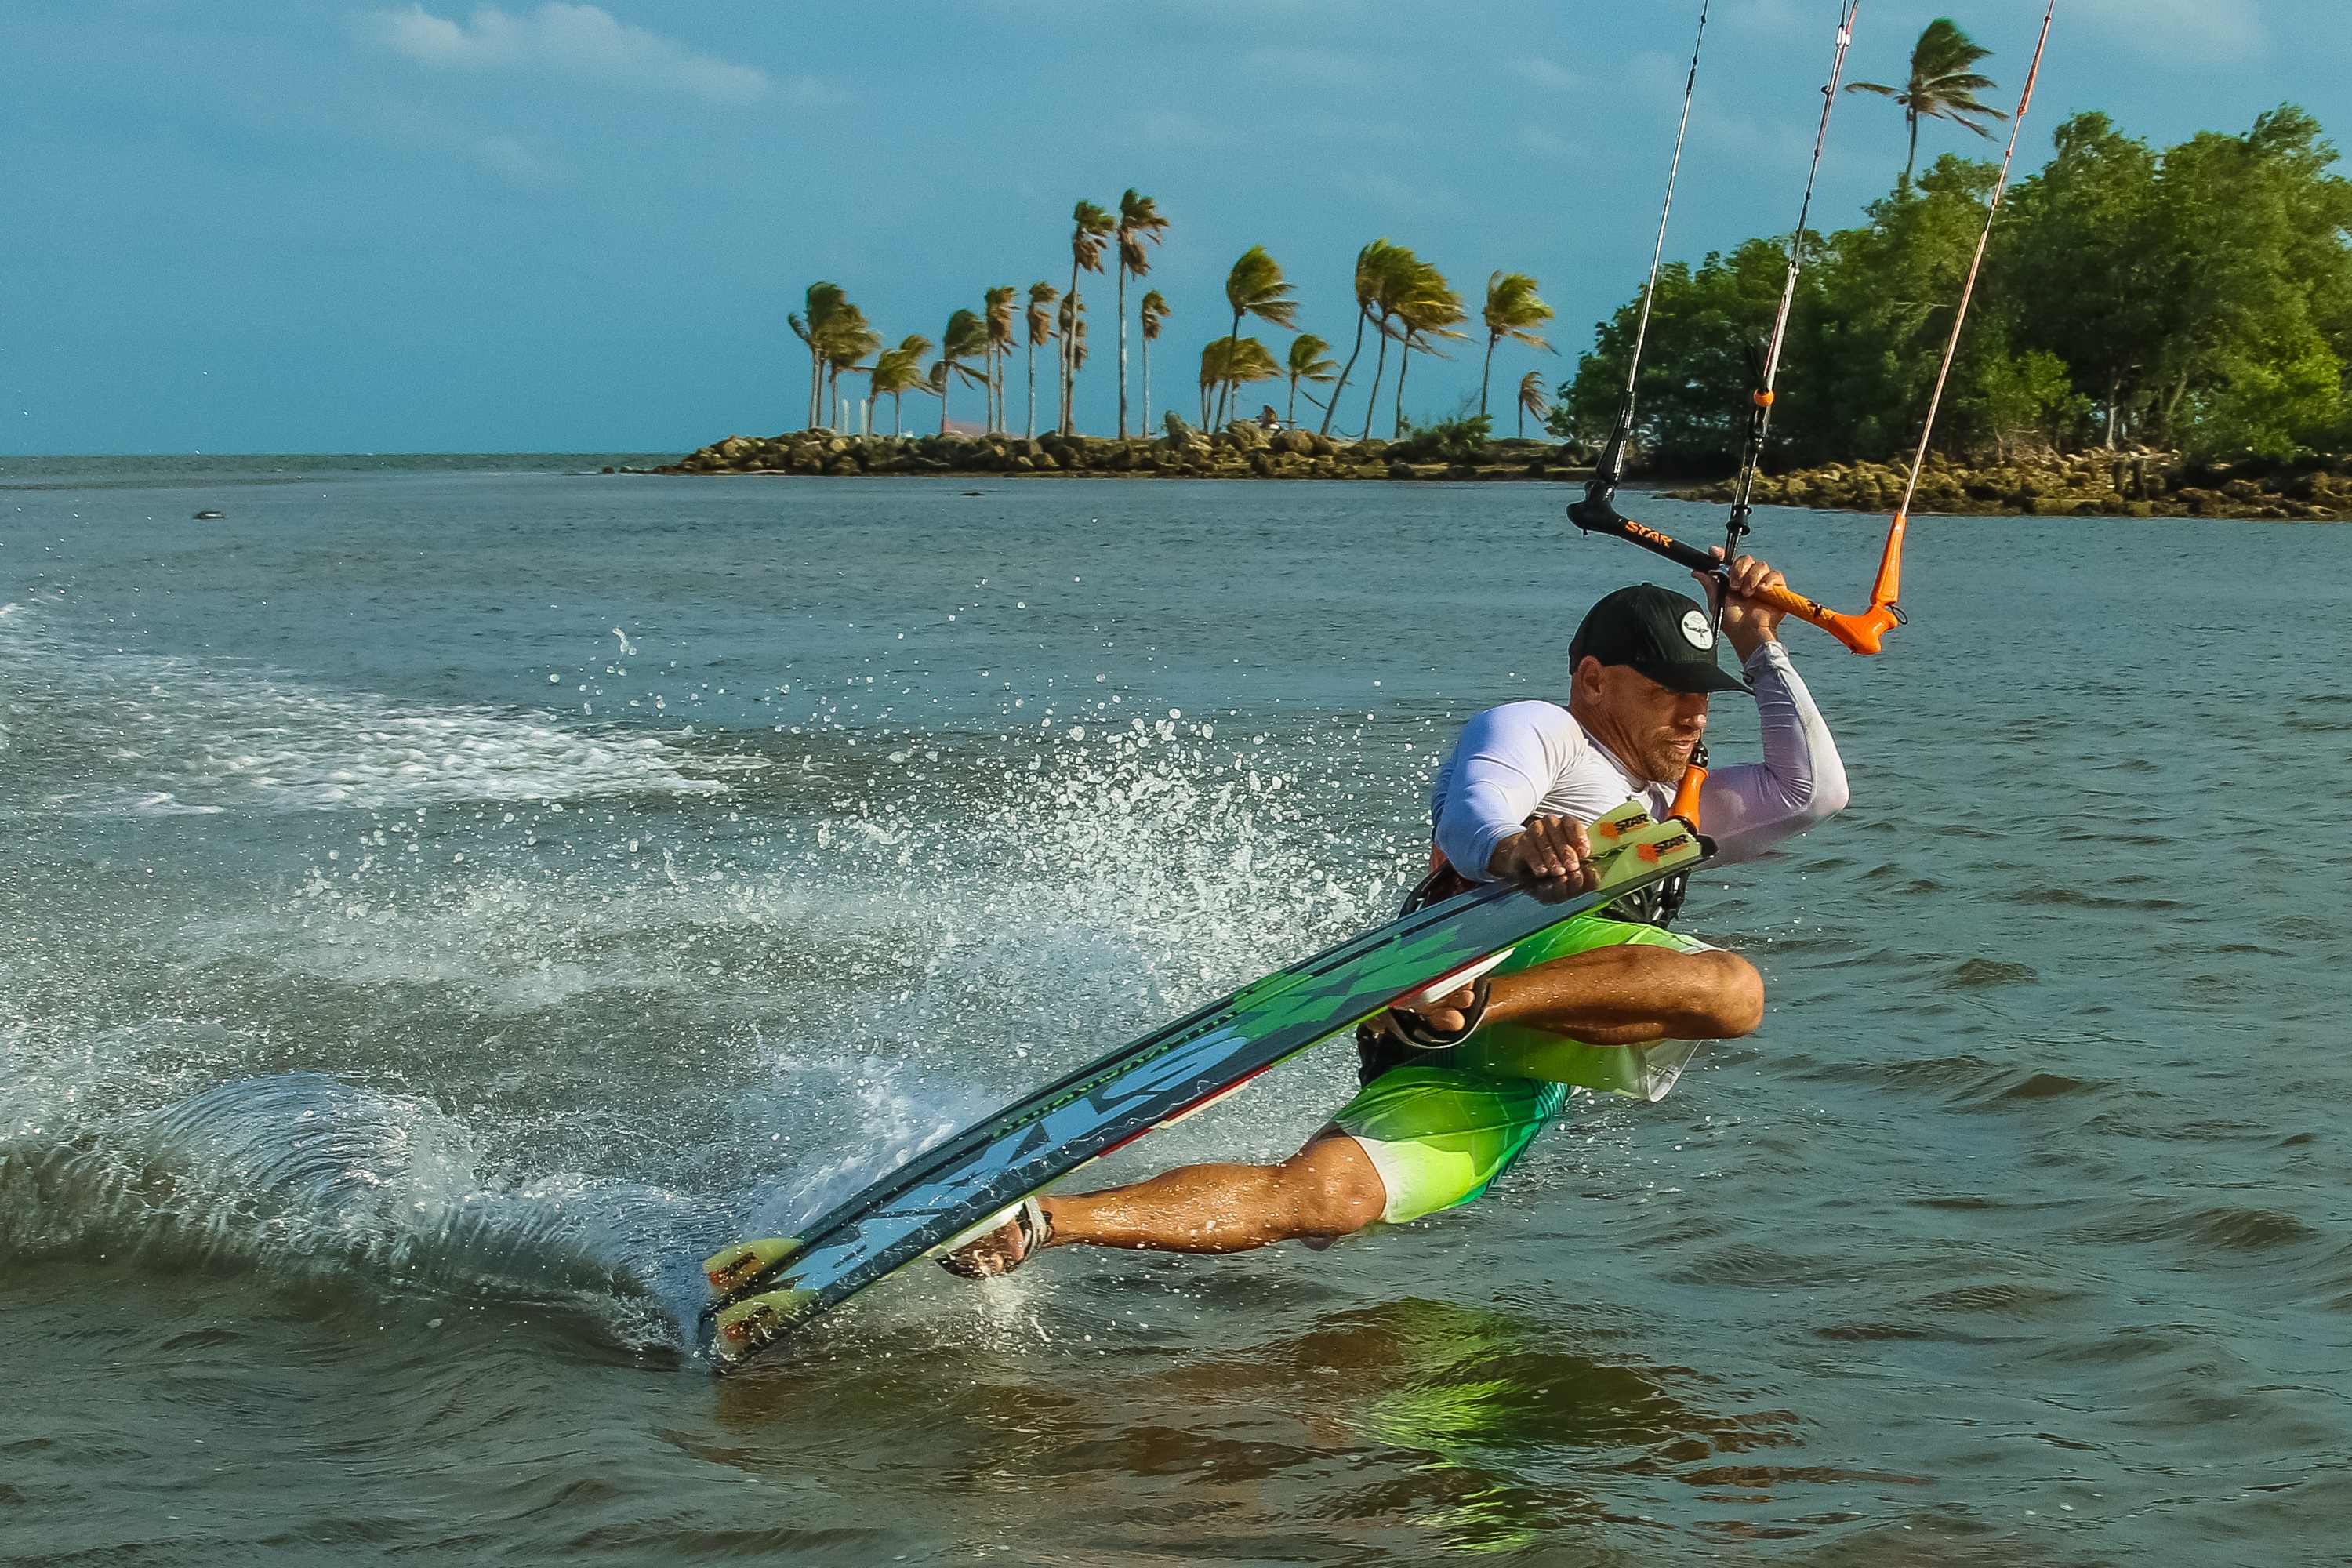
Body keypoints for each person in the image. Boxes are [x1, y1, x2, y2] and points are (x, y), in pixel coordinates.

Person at [942, 554, 1847, 1276]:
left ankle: (1044, 1223)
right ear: (1594, 679)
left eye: (1703, 693)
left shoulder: (1674, 803)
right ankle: (1460, 1000)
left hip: (1520, 1043)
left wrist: (1759, 645)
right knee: (1737, 986)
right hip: (1461, 966)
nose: (1693, 713)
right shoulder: (1542, 727)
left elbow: (1811, 794)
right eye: (1667, 689)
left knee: (1327, 1201)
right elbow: (1474, 805)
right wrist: (1509, 849)